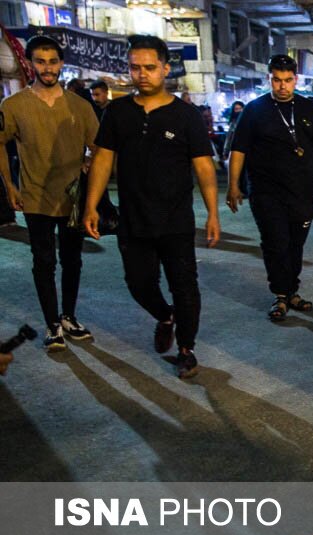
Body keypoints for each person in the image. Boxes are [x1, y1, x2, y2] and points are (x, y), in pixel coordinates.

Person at [83, 34, 220, 379]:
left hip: (175, 219)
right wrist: (91, 206)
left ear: (165, 68)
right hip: (133, 218)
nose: (141, 74)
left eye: (149, 67)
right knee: (138, 282)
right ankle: (165, 316)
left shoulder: (186, 115)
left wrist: (212, 214)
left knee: (185, 285)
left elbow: (203, 167)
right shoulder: (117, 112)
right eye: (134, 67)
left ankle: (186, 349)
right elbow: (102, 161)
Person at [226, 54, 313, 321]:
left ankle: (291, 290)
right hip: (266, 191)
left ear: (295, 79)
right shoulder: (254, 110)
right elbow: (238, 150)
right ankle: (281, 295)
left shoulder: (308, 108)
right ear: (269, 79)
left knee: (296, 243)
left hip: (303, 190)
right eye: (276, 80)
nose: (282, 86)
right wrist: (233, 185)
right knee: (275, 242)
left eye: (287, 80)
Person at [0, 35, 100, 351]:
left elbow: (99, 148)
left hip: (73, 200)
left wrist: (88, 163)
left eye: (53, 61)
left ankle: (69, 316)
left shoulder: (80, 106)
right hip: (35, 196)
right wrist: (10, 186)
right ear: (30, 63)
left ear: (61, 63)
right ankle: (52, 324)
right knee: (43, 261)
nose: (47, 68)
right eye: (40, 61)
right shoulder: (13, 105)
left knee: (72, 260)